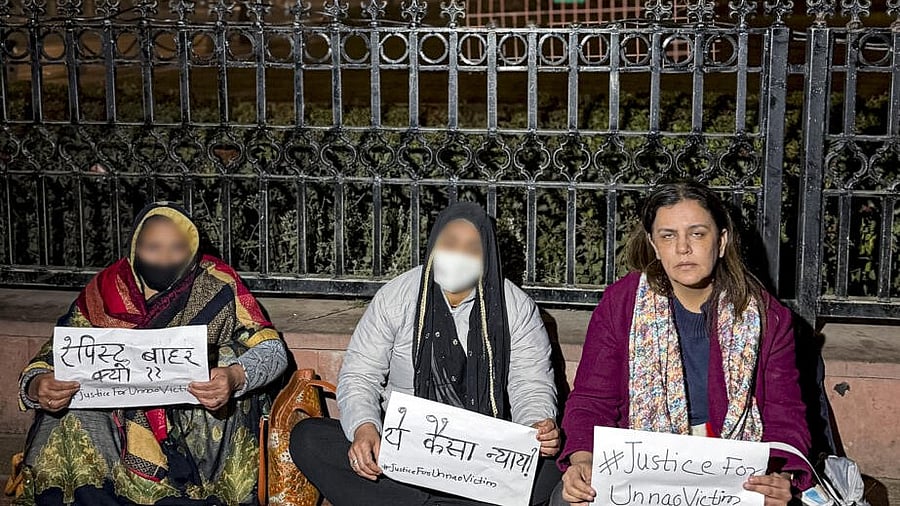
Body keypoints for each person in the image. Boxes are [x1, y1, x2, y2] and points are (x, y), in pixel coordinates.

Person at [554, 182, 812, 506]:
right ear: (653, 244)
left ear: (721, 241)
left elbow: (784, 413)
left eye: (697, 234)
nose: (683, 248)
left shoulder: (767, 316)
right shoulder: (621, 304)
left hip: (731, 471)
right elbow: (592, 399)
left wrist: (780, 477)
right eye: (668, 235)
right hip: (640, 464)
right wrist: (582, 461)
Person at [16, 203, 288, 505]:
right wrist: (38, 384)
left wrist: (235, 376)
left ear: (193, 248)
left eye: (177, 248)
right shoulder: (107, 287)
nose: (165, 258)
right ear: (135, 247)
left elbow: (271, 348)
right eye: (153, 248)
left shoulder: (217, 284)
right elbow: (60, 351)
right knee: (66, 405)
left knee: (224, 359)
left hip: (195, 425)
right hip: (114, 426)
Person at [290, 202, 561, 505]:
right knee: (308, 439)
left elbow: (531, 384)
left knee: (554, 471)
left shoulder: (515, 307)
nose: (458, 255)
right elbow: (360, 375)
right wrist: (365, 427)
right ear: (433, 245)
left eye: (472, 248)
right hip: (404, 450)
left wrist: (536, 426)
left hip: (482, 456)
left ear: (488, 256)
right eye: (449, 243)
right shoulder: (398, 296)